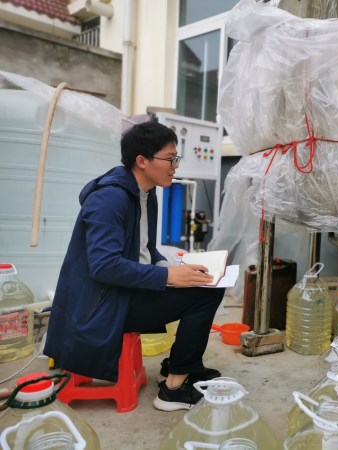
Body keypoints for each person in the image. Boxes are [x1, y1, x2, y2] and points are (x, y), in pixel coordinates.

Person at [44, 121, 225, 411]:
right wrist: (168, 276)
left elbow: (145, 248)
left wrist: (173, 266)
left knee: (207, 282)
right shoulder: (109, 199)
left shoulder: (146, 193)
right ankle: (174, 389)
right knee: (205, 293)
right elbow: (104, 266)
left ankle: (176, 367)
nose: (176, 166)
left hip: (124, 292)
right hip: (101, 306)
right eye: (170, 159)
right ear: (142, 161)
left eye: (176, 158)